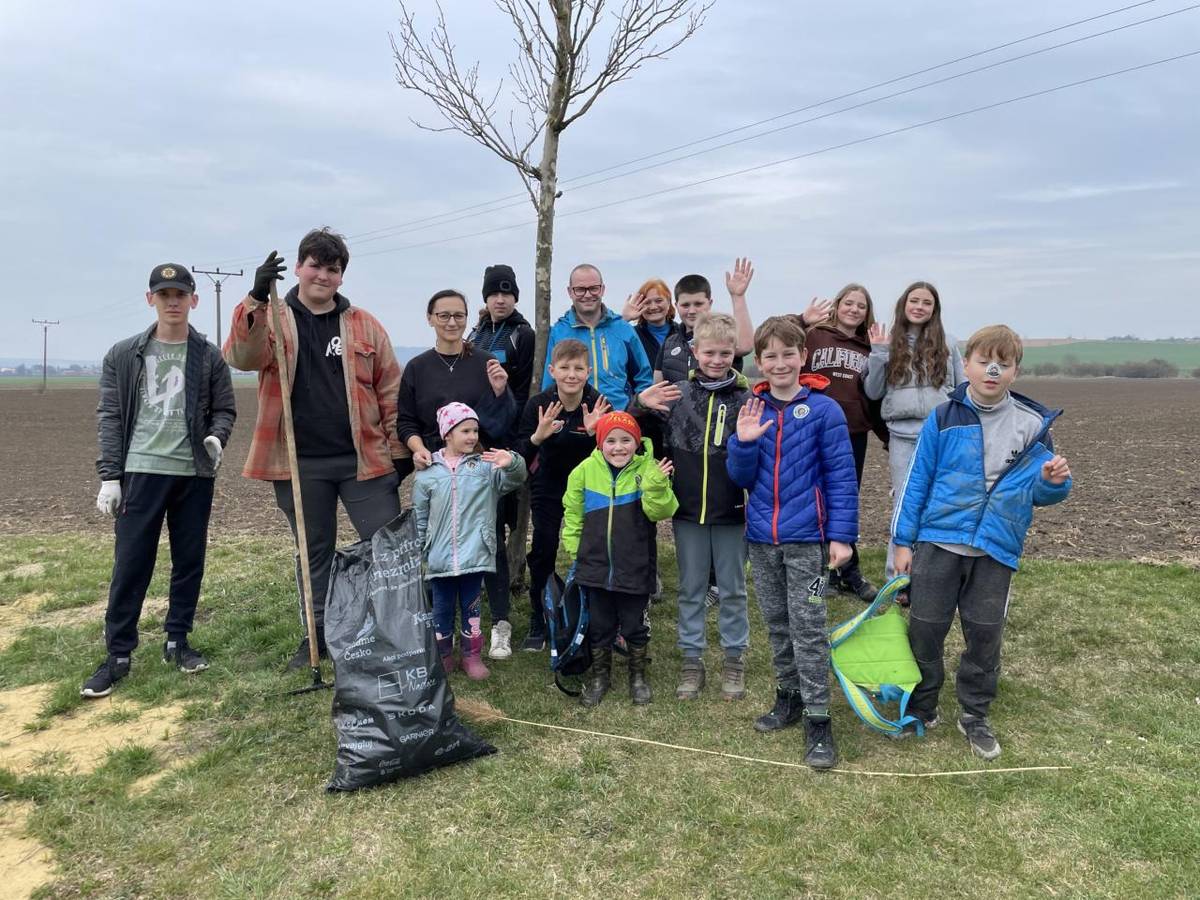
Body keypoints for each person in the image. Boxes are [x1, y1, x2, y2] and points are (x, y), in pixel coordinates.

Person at [224, 228, 405, 670]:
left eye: (333, 268)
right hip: (299, 463)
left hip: (364, 462)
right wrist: (254, 298)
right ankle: (317, 641)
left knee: (386, 550)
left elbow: (390, 389)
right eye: (315, 265)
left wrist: (398, 452)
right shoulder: (274, 318)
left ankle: (393, 637)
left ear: (342, 276)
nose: (322, 275)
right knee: (314, 555)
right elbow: (241, 356)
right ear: (300, 267)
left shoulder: (365, 324)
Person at [892, 325, 1071, 761]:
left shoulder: (1033, 426)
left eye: (1003, 364)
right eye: (984, 361)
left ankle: (974, 713)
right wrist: (902, 541)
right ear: (966, 364)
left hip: (996, 549)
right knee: (925, 630)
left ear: (1014, 371)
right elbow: (916, 482)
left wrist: (1052, 483)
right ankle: (922, 704)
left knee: (985, 637)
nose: (993, 370)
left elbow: (1044, 491)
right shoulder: (942, 418)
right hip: (939, 543)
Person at [84, 264, 236, 698]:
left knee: (189, 561)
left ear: (194, 300)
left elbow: (225, 409)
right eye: (164, 293)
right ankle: (117, 654)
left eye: (181, 293)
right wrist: (110, 476)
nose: (173, 301)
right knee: (131, 563)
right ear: (151, 299)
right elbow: (110, 415)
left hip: (192, 474)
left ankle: (178, 640)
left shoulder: (207, 355)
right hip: (141, 472)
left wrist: (216, 437)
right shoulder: (124, 354)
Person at [725, 316, 858, 769]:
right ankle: (789, 696)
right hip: (762, 540)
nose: (780, 363)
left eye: (788, 354)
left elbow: (842, 478)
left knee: (809, 626)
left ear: (803, 357)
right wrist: (742, 444)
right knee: (777, 623)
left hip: (809, 544)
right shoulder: (751, 408)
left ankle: (819, 719)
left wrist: (841, 536)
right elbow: (740, 477)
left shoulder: (825, 411)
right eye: (770, 356)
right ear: (759, 362)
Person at [635, 313, 751, 702]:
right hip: (687, 511)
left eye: (724, 352)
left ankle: (734, 658)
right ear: (695, 352)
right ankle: (691, 659)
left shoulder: (746, 399)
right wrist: (638, 403)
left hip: (733, 511)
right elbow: (631, 432)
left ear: (734, 353)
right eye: (709, 352)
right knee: (691, 588)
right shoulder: (676, 394)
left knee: (733, 588)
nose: (717, 359)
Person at [397, 289, 519, 658]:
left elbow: (504, 418)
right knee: (437, 542)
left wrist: (501, 391)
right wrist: (419, 450)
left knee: (489, 537)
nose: (452, 322)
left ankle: (499, 623)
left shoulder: (484, 362)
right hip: (437, 469)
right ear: (430, 318)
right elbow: (405, 421)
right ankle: (440, 630)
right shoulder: (417, 367)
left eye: (459, 315)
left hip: (477, 470)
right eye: (444, 315)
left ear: (468, 318)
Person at [562, 412, 678, 707]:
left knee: (634, 624)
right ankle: (601, 677)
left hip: (635, 565)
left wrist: (655, 486)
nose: (618, 447)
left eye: (626, 440)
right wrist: (577, 552)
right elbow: (573, 515)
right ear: (600, 443)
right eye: (610, 440)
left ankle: (637, 677)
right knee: (600, 624)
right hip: (595, 566)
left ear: (636, 442)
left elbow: (662, 512)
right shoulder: (584, 471)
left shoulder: (648, 470)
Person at [413, 403, 527, 681]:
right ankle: (443, 656)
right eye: (465, 430)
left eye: (475, 430)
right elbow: (419, 517)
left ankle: (471, 655)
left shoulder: (484, 468)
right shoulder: (427, 473)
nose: (472, 436)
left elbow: (516, 478)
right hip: (440, 558)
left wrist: (511, 461)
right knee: (440, 609)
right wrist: (418, 551)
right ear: (447, 434)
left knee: (472, 607)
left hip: (475, 554)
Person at [864, 281, 965, 585]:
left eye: (927, 303)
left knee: (938, 503)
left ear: (934, 310)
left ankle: (933, 578)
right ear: (904, 305)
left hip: (939, 435)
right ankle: (897, 580)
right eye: (914, 301)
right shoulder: (889, 342)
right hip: (903, 437)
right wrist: (879, 354)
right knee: (903, 505)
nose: (919, 307)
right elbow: (873, 391)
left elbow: (961, 388)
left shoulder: (949, 343)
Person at [513, 339, 611, 651]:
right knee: (544, 549)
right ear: (553, 370)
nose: (572, 374)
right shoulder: (538, 404)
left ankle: (592, 613)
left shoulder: (598, 403)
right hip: (548, 486)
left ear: (589, 371)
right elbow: (520, 453)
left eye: (578, 368)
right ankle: (540, 617)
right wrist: (537, 436)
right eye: (565, 368)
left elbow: (615, 452)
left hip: (589, 490)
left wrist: (596, 433)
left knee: (593, 551)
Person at [802, 283, 888, 602]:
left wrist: (886, 436)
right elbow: (780, 333)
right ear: (837, 306)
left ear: (868, 313)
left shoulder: (869, 346)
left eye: (861, 306)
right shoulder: (814, 335)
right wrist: (801, 318)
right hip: (812, 429)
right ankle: (818, 573)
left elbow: (875, 397)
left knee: (844, 501)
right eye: (849, 303)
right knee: (814, 501)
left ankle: (849, 573)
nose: (854, 309)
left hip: (852, 433)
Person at [540, 263, 653, 412]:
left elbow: (644, 379)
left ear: (602, 289)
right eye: (580, 289)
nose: (587, 295)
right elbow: (549, 383)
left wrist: (634, 413)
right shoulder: (558, 332)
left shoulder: (624, 330)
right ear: (570, 292)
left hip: (617, 422)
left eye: (593, 288)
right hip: (573, 422)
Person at [467, 264, 536, 412]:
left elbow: (524, 390)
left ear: (515, 298)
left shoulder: (524, 334)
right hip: (473, 424)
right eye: (494, 294)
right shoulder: (474, 336)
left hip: (509, 423)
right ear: (486, 299)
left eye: (506, 294)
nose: (500, 300)